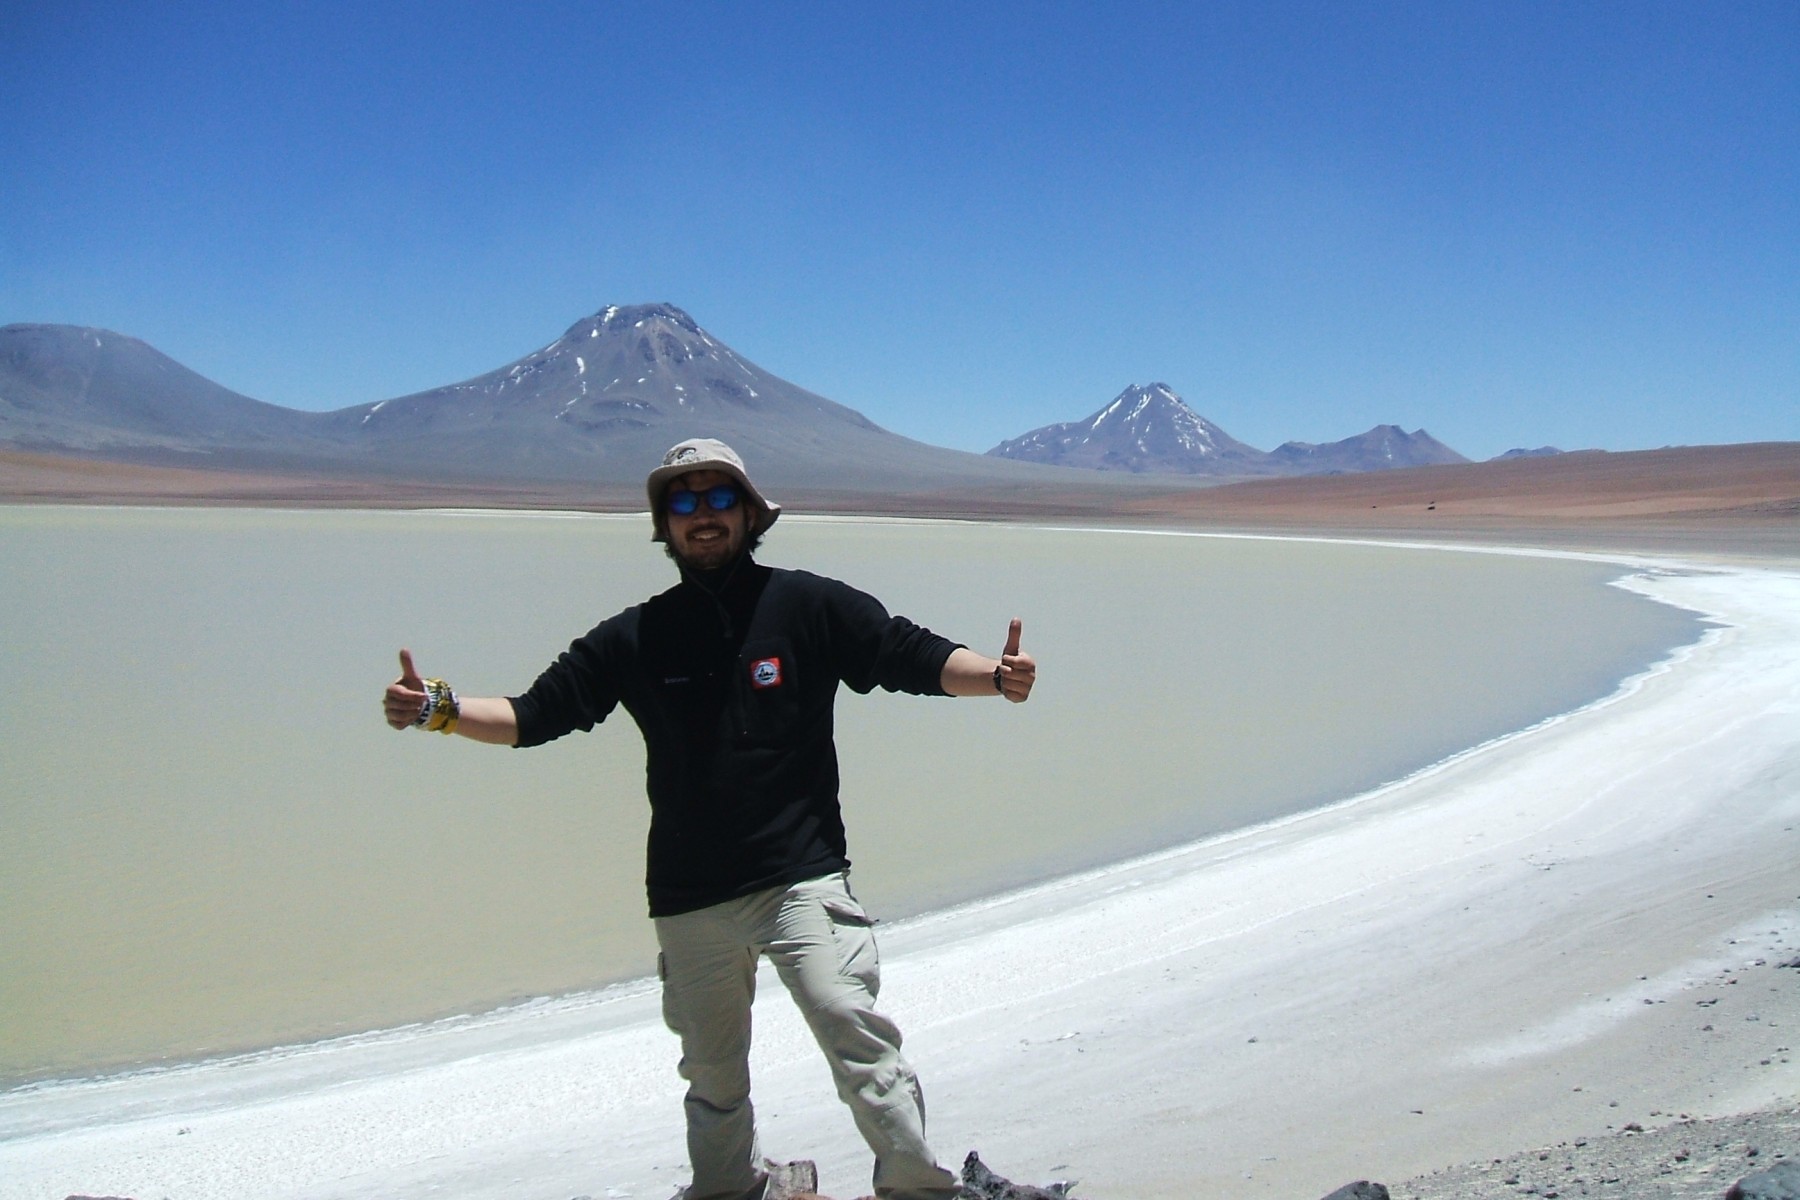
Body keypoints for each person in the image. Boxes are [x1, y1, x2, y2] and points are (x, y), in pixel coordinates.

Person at [382, 437, 1036, 1200]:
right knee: (713, 1075)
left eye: (719, 497)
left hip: (800, 877)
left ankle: (918, 1190)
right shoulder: (634, 635)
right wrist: (437, 709)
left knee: (852, 1028)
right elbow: (534, 715)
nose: (702, 514)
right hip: (690, 895)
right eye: (683, 501)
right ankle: (737, 1189)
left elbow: (904, 654)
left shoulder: (808, 604)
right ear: (664, 524)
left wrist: (995, 677)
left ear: (750, 514)